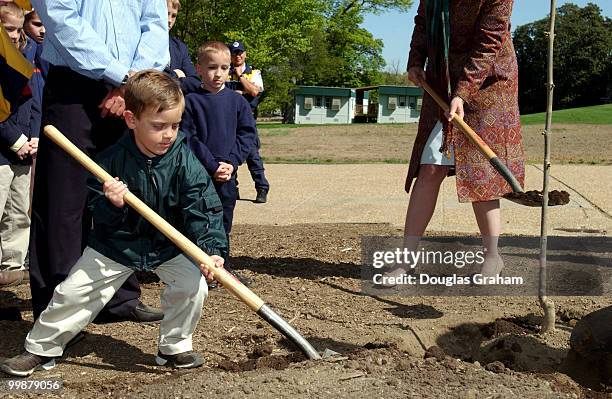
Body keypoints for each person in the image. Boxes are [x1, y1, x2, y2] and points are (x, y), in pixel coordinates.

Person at [0, 70, 228, 377]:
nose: (169, 134)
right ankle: (41, 348)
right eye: (159, 126)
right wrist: (113, 203)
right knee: (73, 293)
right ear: (132, 120)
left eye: (175, 125)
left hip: (168, 244)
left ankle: (174, 347)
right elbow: (96, 215)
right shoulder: (110, 162)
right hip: (116, 243)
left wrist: (211, 250)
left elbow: (203, 206)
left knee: (192, 285)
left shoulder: (183, 160)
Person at [28, 0, 170, 323]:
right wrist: (118, 74)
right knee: (63, 202)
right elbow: (62, 18)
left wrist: (132, 82)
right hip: (74, 85)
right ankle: (59, 308)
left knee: (122, 195)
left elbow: (155, 25)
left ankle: (118, 296)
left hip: (134, 86)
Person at [392, 0, 524, 280]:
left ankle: (492, 257)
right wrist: (416, 60)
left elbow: (489, 42)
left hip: (489, 82)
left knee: (480, 173)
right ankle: (406, 260)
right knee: (429, 167)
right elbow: (423, 21)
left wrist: (462, 94)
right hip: (443, 78)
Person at [181, 41, 257, 285]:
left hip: (227, 175)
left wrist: (231, 163)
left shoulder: (238, 102)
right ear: (199, 69)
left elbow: (247, 136)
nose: (218, 73)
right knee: (197, 220)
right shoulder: (190, 102)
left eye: (224, 68)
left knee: (223, 221)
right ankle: (196, 271)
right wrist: (212, 166)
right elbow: (188, 137)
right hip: (198, 176)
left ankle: (222, 269)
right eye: (212, 67)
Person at [0, 2, 38, 287]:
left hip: (24, 152)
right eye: (7, 29)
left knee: (18, 211)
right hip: (4, 151)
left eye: (16, 29)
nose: (13, 35)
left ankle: (12, 266)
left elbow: (35, 104)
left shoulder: (26, 61)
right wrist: (16, 140)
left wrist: (35, 136)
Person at [226, 40, 269, 204]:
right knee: (229, 154)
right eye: (234, 53)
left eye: (240, 52)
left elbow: (254, 91)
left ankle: (262, 188)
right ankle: (233, 189)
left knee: (252, 156)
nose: (237, 56)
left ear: (245, 54)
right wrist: (242, 92)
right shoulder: (224, 71)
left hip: (246, 119)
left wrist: (240, 77)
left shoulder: (254, 73)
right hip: (229, 119)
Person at [165, 0, 200, 94]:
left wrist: (168, 78)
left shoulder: (180, 48)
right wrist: (176, 74)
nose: (169, 20)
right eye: (166, 13)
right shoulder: (142, 41)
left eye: (173, 16)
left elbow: (195, 81)